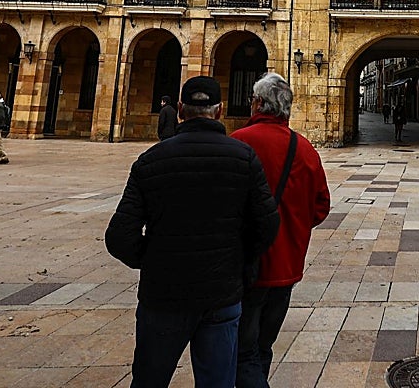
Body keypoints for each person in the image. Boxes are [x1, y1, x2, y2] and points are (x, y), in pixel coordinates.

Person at [105, 75, 279, 388]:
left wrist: (155, 259)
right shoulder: (242, 158)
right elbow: (267, 224)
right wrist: (237, 259)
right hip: (221, 294)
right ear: (221, 110)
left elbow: (119, 236)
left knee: (149, 381)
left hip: (163, 296)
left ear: (181, 109)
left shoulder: (150, 161)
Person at [231, 73, 331, 388]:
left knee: (242, 351)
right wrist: (293, 226)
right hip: (287, 267)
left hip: (245, 267)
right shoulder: (305, 149)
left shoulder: (238, 143)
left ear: (259, 103)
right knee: (262, 346)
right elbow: (321, 207)